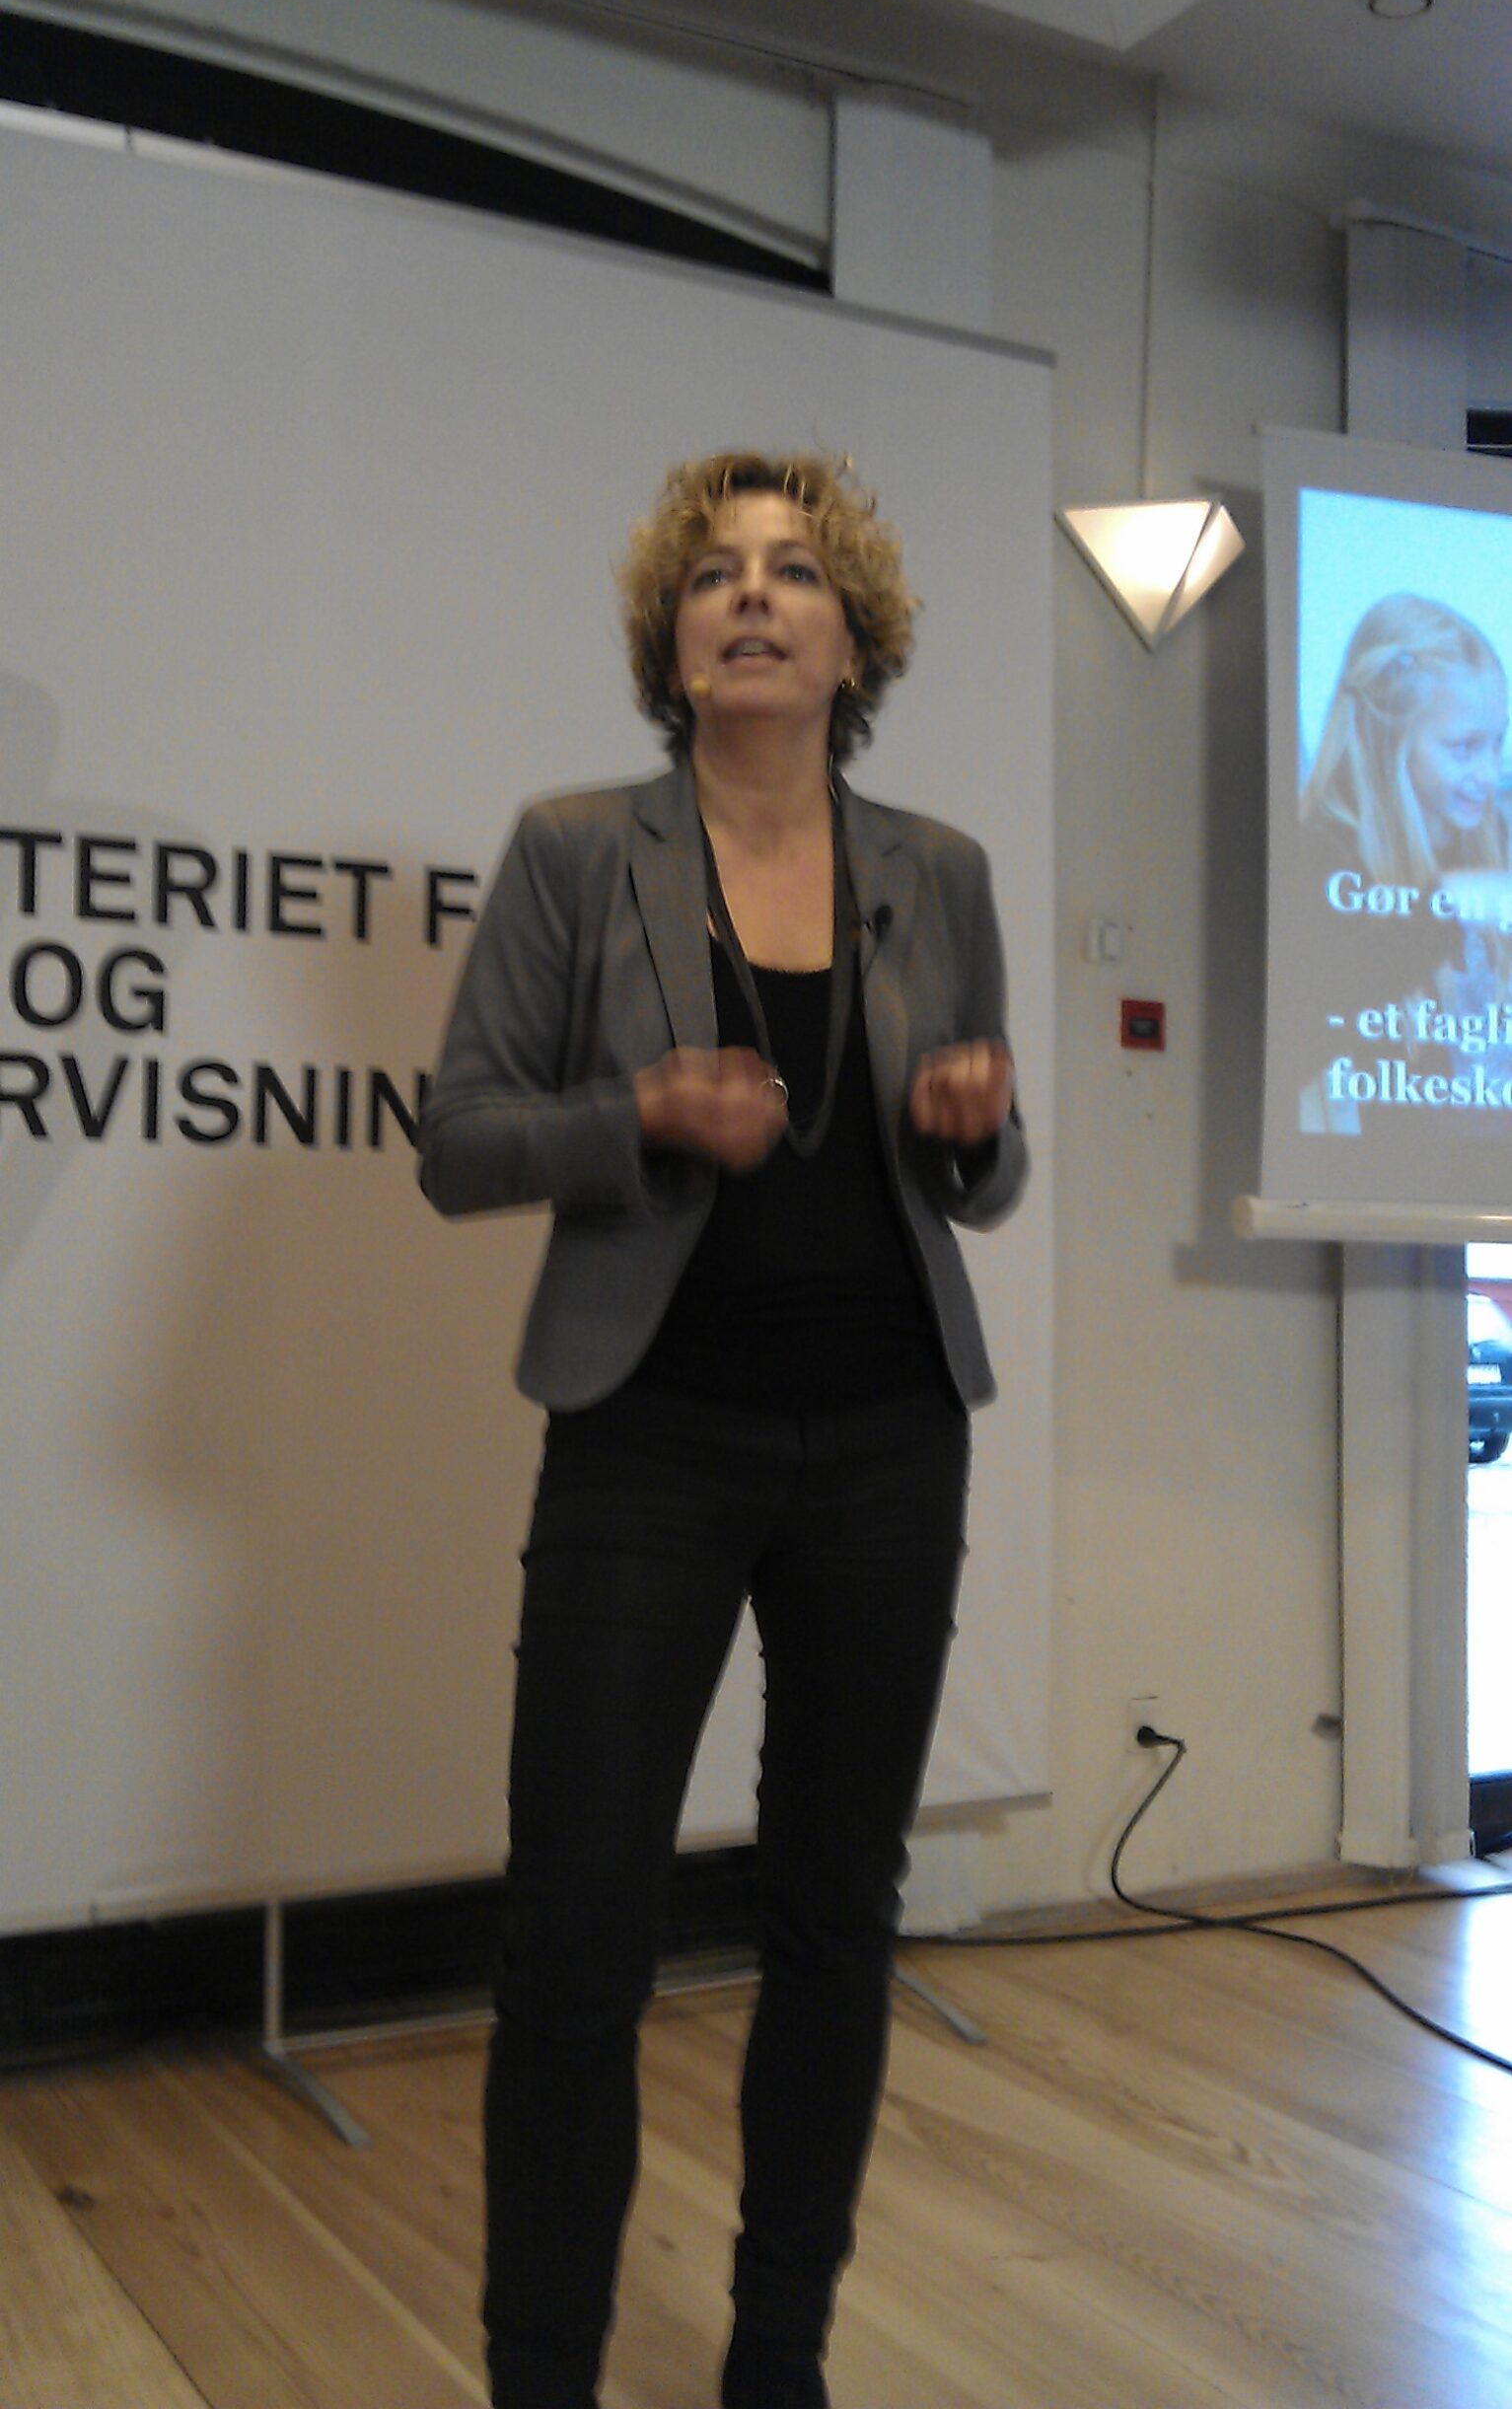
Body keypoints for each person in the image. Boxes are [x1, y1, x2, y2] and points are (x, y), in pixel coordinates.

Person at [419, 448, 1028, 2409]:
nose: (749, 596)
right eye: (711, 575)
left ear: (855, 641)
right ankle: (541, 2379)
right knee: (576, 1932)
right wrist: (642, 1119)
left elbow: (986, 1172)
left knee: (835, 1918)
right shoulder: (574, 850)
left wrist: (973, 1132)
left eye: (792, 573)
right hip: (650, 1439)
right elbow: (457, 1140)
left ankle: (778, 2358)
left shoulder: (937, 869)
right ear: (669, 641)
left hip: (890, 1441)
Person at [1297, 591, 1511, 1130]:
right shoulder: (1320, 855)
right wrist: (1448, 904)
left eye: (1498, 743)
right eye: (1465, 747)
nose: (1489, 774)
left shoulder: (1495, 833)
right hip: (1390, 1170)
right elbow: (1314, 1020)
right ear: (1386, 739)